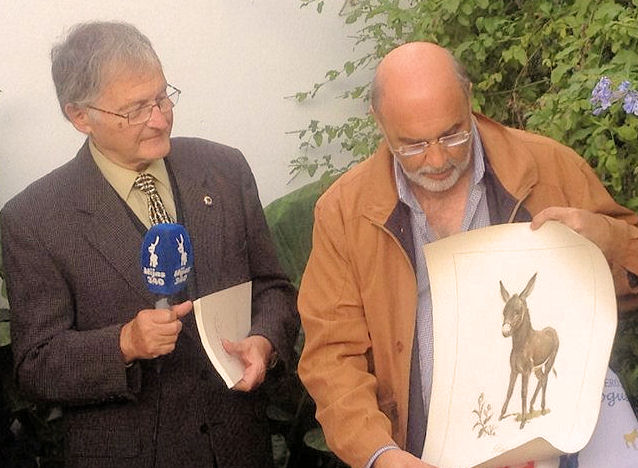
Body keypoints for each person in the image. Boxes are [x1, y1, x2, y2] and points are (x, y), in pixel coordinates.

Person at [297, 42, 638, 468]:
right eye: (413, 145)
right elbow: (332, 357)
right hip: (421, 454)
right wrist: (380, 453)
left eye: (453, 134)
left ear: (469, 98)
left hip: (560, 446)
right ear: (378, 122)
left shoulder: (548, 167)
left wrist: (609, 237)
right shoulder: (344, 213)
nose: (437, 158)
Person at [1, 21, 299, 468]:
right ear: (80, 117)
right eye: (135, 109)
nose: (159, 119)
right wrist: (123, 343)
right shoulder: (34, 218)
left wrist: (265, 341)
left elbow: (273, 288)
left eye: (162, 97)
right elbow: (35, 366)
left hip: (240, 445)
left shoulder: (224, 168)